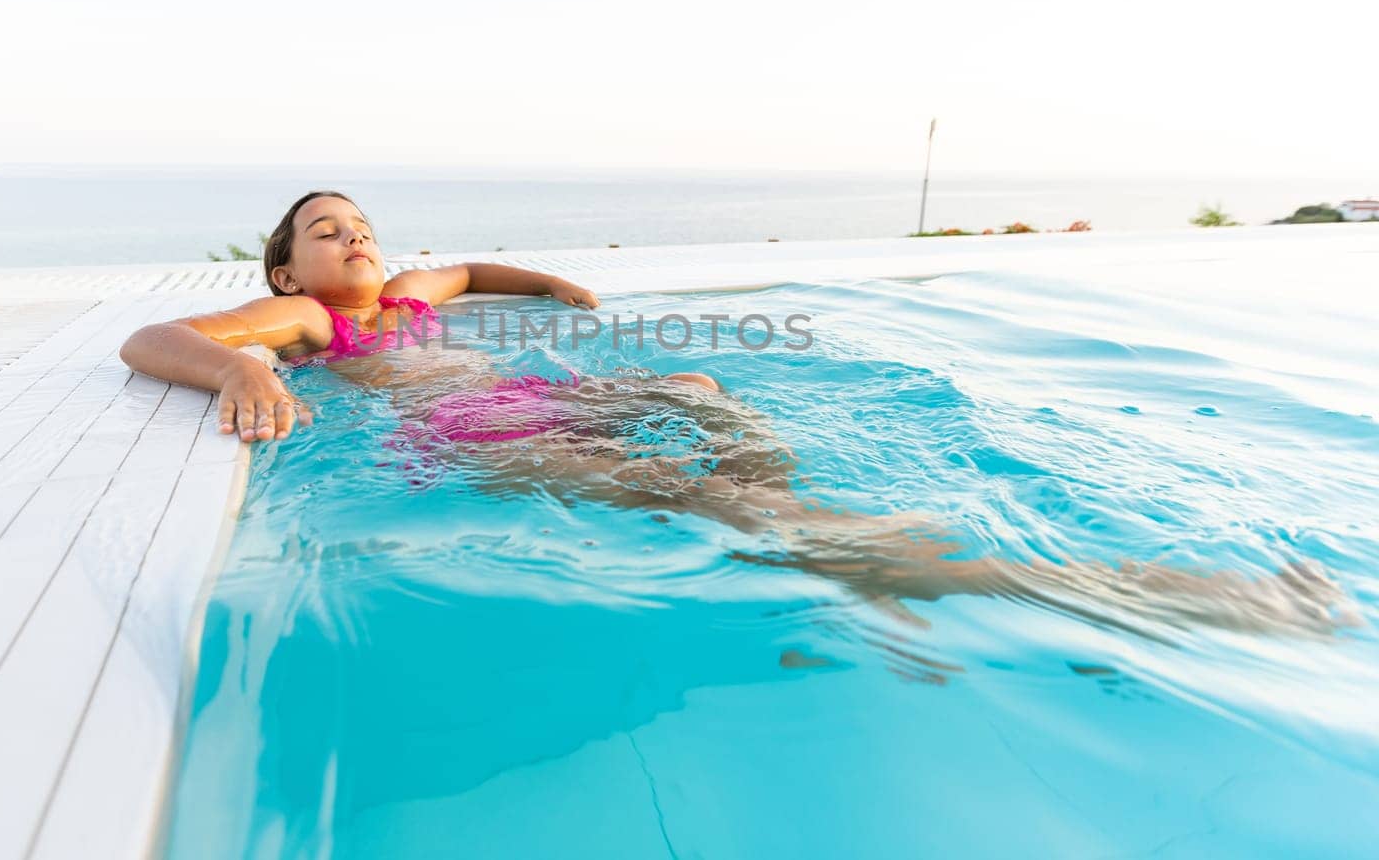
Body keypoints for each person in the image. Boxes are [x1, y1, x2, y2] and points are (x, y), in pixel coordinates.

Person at [120, 191, 1357, 638]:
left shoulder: (407, 291)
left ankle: (819, 534)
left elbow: (477, 271)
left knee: (704, 387)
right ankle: (881, 555)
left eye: (365, 224)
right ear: (286, 272)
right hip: (488, 439)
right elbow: (146, 340)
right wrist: (240, 371)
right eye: (328, 233)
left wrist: (546, 284)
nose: (359, 239)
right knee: (749, 497)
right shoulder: (311, 326)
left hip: (557, 395)